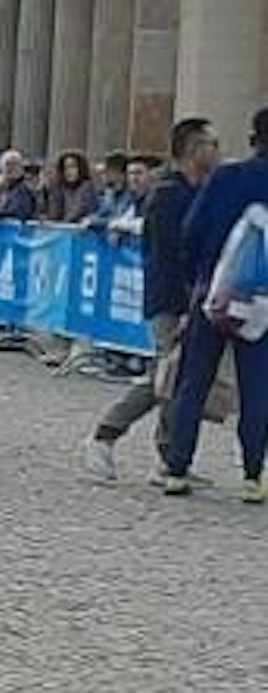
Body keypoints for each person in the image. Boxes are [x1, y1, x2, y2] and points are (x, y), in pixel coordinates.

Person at [83, 117, 220, 483]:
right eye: (212, 144)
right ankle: (106, 433)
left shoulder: (197, 191)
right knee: (166, 374)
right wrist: (187, 302)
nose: (218, 152)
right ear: (193, 149)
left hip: (195, 299)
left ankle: (170, 456)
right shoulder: (168, 196)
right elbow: (170, 256)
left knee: (179, 377)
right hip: (172, 300)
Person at [162, 105, 268, 502]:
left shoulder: (227, 176)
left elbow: (191, 231)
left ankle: (177, 467)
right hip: (262, 301)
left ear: (253, 138)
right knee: (257, 388)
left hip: (215, 291)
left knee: (194, 381)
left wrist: (199, 276)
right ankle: (253, 475)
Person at [43, 151, 97, 225]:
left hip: (81, 231)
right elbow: (53, 214)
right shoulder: (59, 187)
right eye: (65, 168)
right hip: (63, 230)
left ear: (80, 168)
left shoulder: (87, 186)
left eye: (72, 167)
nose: (68, 171)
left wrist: (60, 225)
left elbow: (76, 212)